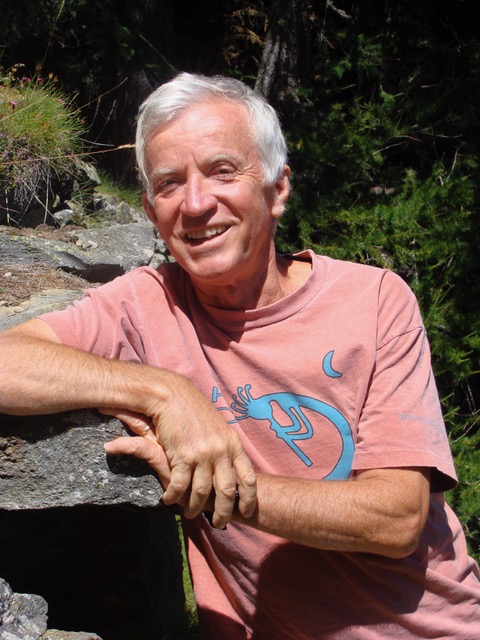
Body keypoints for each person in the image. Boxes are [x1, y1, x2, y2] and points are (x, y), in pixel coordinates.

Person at [0, 72, 479, 639]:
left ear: (278, 189)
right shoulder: (145, 305)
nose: (196, 203)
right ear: (150, 210)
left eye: (223, 172)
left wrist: (218, 485)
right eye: (169, 184)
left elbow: (395, 519)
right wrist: (166, 392)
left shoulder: (373, 300)